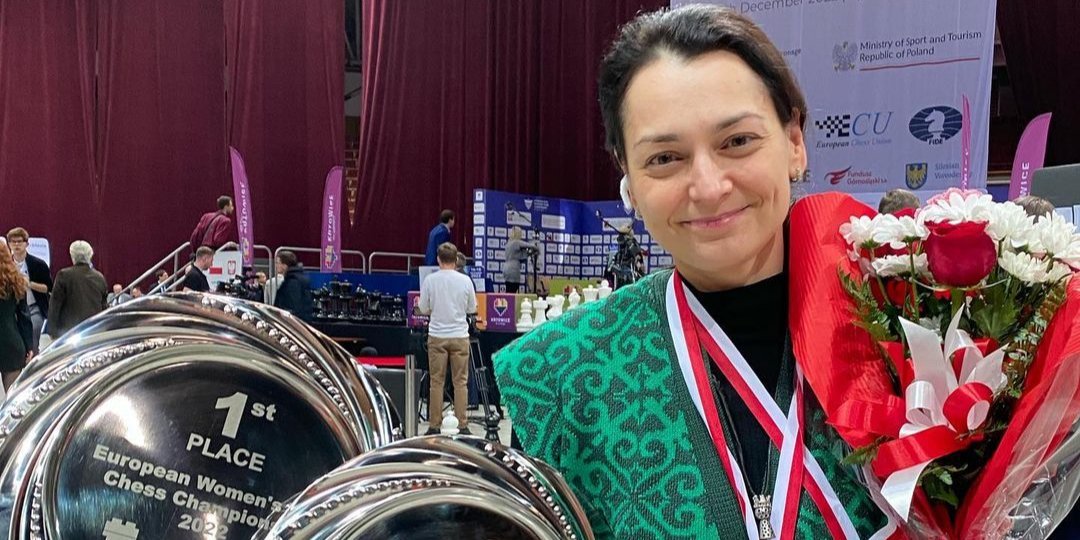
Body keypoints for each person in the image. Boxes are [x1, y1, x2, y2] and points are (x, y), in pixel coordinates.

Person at [494, 7, 891, 539]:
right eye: (665, 158)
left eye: (737, 141)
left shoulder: (907, 328)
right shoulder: (560, 376)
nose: (707, 187)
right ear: (629, 180)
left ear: (795, 142)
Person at [418, 242, 477, 435]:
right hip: (459, 336)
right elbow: (472, 308)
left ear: (438, 259)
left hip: (437, 336)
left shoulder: (430, 280)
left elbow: (423, 308)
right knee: (461, 382)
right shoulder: (465, 281)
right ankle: (462, 425)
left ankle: (434, 425)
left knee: (436, 382)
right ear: (456, 260)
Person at [47, 240, 107, 340]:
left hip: (69, 332)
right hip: (94, 330)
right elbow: (104, 306)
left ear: (72, 256)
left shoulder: (63, 275)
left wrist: (52, 331)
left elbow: (55, 305)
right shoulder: (99, 277)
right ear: (90, 255)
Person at [6, 228, 51, 353]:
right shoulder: (5, 265)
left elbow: (47, 288)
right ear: (8, 244)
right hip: (13, 308)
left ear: (26, 244)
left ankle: (33, 357)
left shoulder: (38, 264)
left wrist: (29, 284)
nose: (16, 245)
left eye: (19, 241)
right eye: (13, 242)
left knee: (33, 334)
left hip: (34, 307)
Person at [0, 241, 33, 390]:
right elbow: (24, 316)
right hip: (11, 343)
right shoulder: (16, 281)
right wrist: (29, 346)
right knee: (13, 396)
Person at [273, 250, 313, 321]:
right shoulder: (297, 278)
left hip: (292, 323)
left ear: (284, 265)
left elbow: (293, 308)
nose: (276, 266)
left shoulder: (292, 282)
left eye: (277, 263)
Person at [503, 227, 539, 293]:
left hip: (506, 268)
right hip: (513, 269)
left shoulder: (508, 244)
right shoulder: (516, 242)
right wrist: (536, 247)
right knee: (513, 290)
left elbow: (520, 256)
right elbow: (529, 245)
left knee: (509, 290)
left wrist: (529, 253)